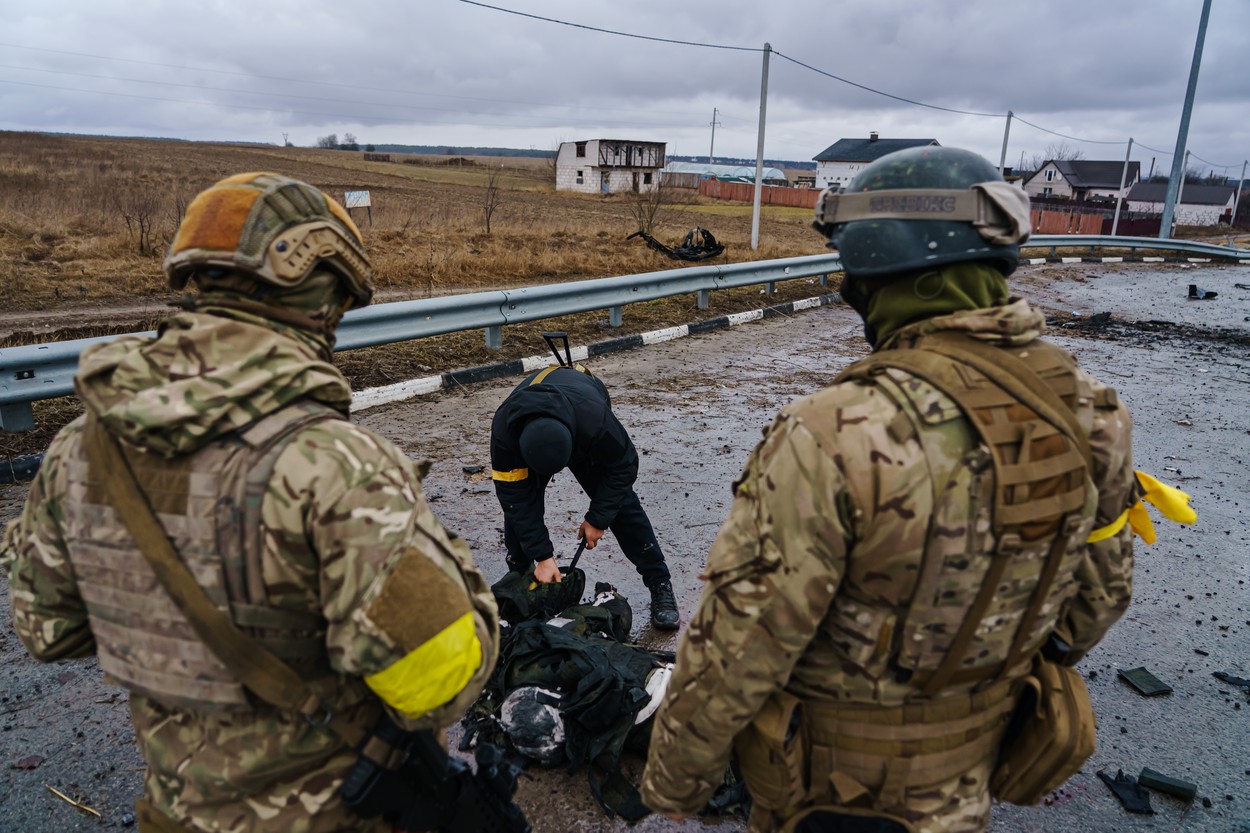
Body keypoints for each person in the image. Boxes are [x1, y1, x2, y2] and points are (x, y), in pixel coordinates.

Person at [640, 147, 1142, 832]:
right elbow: (1093, 606)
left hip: (827, 800)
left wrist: (676, 783)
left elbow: (740, 646)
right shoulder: (1089, 411)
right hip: (965, 789)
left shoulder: (831, 430)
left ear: (880, 270)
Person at [2, 172, 500, 833]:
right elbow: (439, 682)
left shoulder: (82, 447)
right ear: (324, 300)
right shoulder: (334, 465)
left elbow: (48, 629)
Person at [490, 362, 680, 630]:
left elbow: (624, 467)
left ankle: (659, 582)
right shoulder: (505, 433)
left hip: (580, 407)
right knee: (521, 508)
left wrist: (599, 519)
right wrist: (543, 556)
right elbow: (516, 501)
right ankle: (521, 579)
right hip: (535, 434)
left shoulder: (595, 421)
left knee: (622, 506)